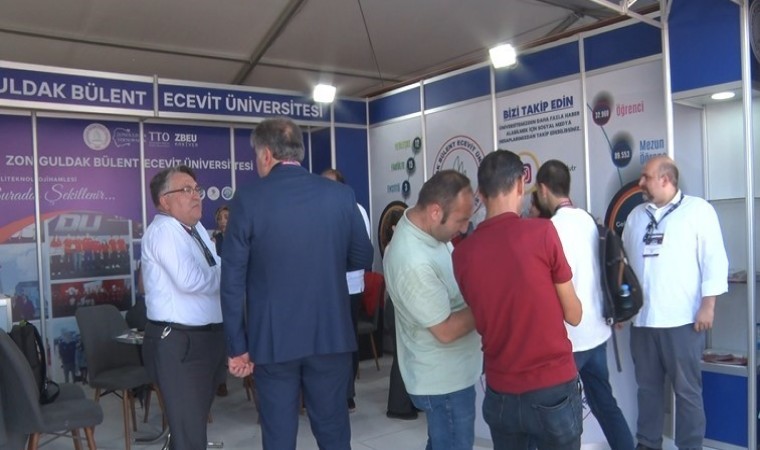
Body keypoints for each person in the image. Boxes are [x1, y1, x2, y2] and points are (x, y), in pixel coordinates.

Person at [221, 118, 374, 450]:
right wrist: (325, 267)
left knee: (278, 435)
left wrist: (237, 346)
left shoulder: (248, 198)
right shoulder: (341, 195)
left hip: (273, 340)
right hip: (330, 334)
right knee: (334, 432)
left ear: (266, 154)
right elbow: (363, 256)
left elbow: (232, 279)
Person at [452, 150, 583, 450]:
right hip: (552, 388)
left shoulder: (462, 255)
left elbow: (484, 310)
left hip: (501, 392)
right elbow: (574, 314)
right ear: (521, 185)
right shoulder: (543, 232)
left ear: (480, 194)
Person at [621, 155, 728, 450]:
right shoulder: (636, 216)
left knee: (687, 391)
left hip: (683, 321)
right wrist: (623, 309)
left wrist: (708, 305)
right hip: (643, 322)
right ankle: (648, 443)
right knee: (647, 390)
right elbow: (625, 267)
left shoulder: (698, 210)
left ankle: (690, 446)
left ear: (665, 179)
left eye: (646, 177)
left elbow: (714, 260)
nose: (640, 182)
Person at [535, 159, 634, 450]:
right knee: (605, 404)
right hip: (597, 332)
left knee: (561, 420)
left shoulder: (550, 230)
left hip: (569, 338)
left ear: (543, 189)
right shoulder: (588, 220)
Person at [383, 170, 482, 450]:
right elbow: (445, 330)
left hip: (451, 375)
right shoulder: (412, 261)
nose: (465, 228)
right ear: (435, 211)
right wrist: (489, 302)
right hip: (443, 383)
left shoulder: (430, 233)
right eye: (460, 220)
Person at [141, 165, 226, 450]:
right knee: (189, 434)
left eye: (196, 189)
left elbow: (214, 266)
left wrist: (223, 272)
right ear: (164, 200)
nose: (196, 195)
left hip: (206, 338)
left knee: (191, 428)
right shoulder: (164, 230)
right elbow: (192, 280)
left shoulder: (195, 228)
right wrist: (231, 275)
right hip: (180, 342)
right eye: (186, 190)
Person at [321, 168, 371, 412]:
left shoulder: (356, 209)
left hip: (349, 286)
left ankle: (347, 393)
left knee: (346, 340)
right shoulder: (318, 210)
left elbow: (362, 252)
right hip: (323, 287)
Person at [212, 204, 230, 397]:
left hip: (241, 291)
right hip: (219, 292)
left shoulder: (242, 238)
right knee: (221, 337)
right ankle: (221, 380)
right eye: (220, 218)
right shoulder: (214, 241)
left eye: (226, 217)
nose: (223, 221)